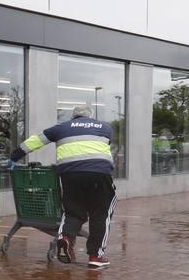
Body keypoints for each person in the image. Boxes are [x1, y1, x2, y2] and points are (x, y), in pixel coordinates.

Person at [9, 104, 116, 268]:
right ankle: (95, 256)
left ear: (73, 117)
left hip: (70, 174)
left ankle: (65, 238)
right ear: (91, 116)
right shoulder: (105, 127)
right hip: (99, 173)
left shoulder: (61, 127)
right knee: (100, 213)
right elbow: (105, 146)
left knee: (74, 211)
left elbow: (35, 141)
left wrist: (14, 157)